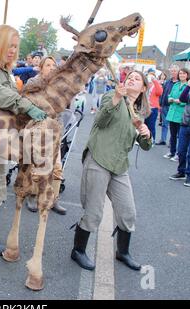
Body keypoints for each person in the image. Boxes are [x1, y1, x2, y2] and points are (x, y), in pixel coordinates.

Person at [0, 25, 47, 256]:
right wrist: (26, 106)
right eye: (9, 45)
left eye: (16, 46)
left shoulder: (0, 69)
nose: (13, 50)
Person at [71, 70, 152, 271]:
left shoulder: (140, 112)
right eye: (130, 76)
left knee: (128, 212)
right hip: (99, 157)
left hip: (119, 165)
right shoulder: (112, 96)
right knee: (93, 211)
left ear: (143, 88)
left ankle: (122, 252)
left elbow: (145, 146)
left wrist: (146, 134)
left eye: (137, 78)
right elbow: (100, 121)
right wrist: (116, 97)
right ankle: (78, 251)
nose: (131, 79)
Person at [24, 56, 67, 215]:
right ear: (41, 68)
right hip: (35, 128)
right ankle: (32, 195)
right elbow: (27, 105)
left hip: (53, 130)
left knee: (56, 166)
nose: (51, 67)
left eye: (53, 65)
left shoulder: (59, 85)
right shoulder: (32, 83)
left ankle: (53, 198)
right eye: (48, 65)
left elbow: (61, 109)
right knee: (35, 165)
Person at [164, 68, 190, 161]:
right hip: (172, 113)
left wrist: (179, 101)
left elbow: (186, 100)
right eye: (180, 74)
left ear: (187, 75)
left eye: (184, 74)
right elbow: (169, 95)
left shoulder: (188, 86)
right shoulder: (176, 84)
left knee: (181, 136)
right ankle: (172, 151)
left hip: (182, 114)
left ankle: (179, 154)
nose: (182, 75)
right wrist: (171, 99)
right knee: (172, 135)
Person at [169, 79, 190, 186]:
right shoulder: (188, 88)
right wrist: (188, 87)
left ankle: (189, 175)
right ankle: (181, 171)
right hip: (185, 123)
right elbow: (182, 99)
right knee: (181, 150)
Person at [156, 64, 179, 145]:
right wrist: (161, 104)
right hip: (165, 105)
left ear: (178, 71)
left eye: (175, 71)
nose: (173, 72)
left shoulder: (180, 82)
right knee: (164, 124)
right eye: (172, 71)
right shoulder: (168, 81)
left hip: (173, 106)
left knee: (173, 126)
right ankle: (163, 139)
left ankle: (171, 142)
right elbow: (163, 93)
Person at [144, 68, 163, 143]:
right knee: (144, 124)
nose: (150, 77)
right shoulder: (146, 85)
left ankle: (152, 140)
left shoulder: (156, 85)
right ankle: (144, 140)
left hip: (153, 108)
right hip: (145, 107)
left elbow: (160, 92)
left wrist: (155, 81)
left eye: (152, 75)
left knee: (151, 125)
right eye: (149, 75)